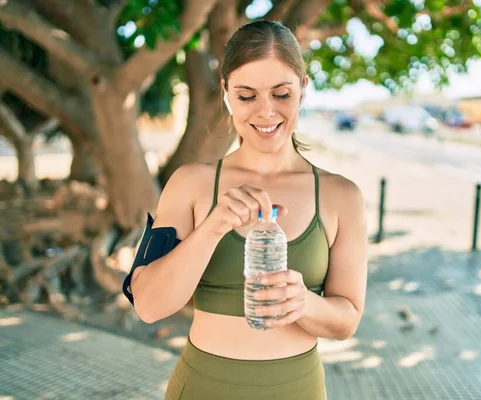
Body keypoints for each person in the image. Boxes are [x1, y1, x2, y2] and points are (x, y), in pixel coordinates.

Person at [122, 20, 367, 400]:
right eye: (247, 96)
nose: (266, 112)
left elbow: (346, 320)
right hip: (203, 386)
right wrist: (213, 226)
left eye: (281, 94)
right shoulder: (190, 184)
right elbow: (149, 307)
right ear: (226, 94)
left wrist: (304, 302)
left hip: (297, 389)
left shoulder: (341, 196)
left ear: (303, 89)